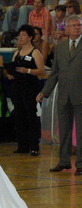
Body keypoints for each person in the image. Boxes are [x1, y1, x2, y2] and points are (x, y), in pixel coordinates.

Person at [36, 15, 82, 175]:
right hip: (64, 95)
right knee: (64, 130)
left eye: (79, 25)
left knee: (81, 132)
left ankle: (80, 164)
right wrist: (44, 92)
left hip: (80, 95)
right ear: (66, 29)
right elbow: (55, 72)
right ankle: (64, 161)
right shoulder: (60, 47)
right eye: (73, 25)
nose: (77, 28)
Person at [6, 24, 44, 156]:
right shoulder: (16, 53)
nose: (21, 38)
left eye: (24, 35)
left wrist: (27, 70)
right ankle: (22, 145)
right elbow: (13, 68)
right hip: (17, 87)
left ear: (30, 37)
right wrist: (11, 74)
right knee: (19, 116)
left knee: (30, 115)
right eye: (20, 35)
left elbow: (41, 71)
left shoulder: (35, 52)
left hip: (30, 87)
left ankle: (34, 146)